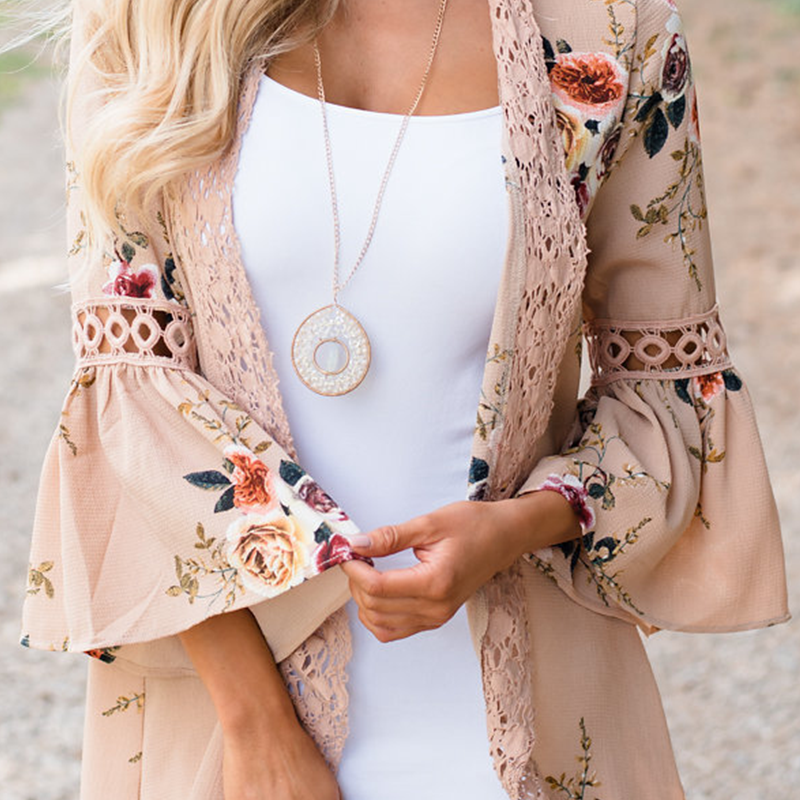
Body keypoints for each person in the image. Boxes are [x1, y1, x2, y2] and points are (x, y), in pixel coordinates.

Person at [20, 0, 789, 798]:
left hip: (531, 710)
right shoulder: (147, 22)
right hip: (233, 725)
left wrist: (520, 523)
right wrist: (256, 724)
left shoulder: (615, 31)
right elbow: (131, 397)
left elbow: (665, 386)